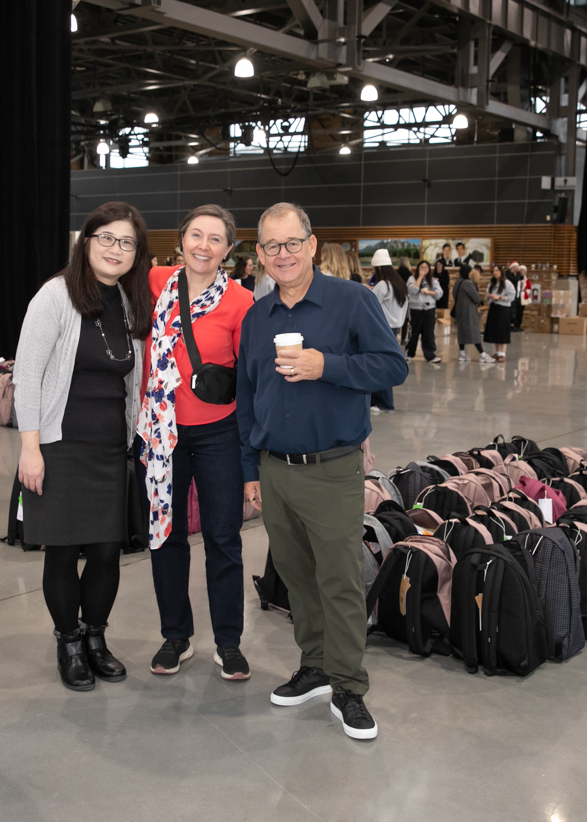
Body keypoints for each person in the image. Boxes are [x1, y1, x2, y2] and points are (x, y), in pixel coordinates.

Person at [237, 202, 406, 741]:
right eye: (272, 246)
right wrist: (251, 470)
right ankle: (314, 665)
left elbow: (392, 366)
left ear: (311, 245)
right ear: (260, 254)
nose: (283, 254)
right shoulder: (256, 318)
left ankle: (349, 686)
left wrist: (324, 365)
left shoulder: (351, 301)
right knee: (297, 577)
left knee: (339, 581)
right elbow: (247, 399)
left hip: (332, 468)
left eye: (292, 243)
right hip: (274, 470)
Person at [14, 201, 151, 691]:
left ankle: (96, 638)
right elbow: (27, 376)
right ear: (86, 242)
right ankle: (68, 643)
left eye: (127, 242)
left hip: (111, 450)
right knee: (62, 552)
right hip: (60, 447)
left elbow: (131, 381)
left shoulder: (130, 302)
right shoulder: (55, 296)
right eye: (106, 238)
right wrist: (30, 448)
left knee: (107, 553)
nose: (116, 249)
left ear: (137, 252)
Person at [140, 205, 254, 681]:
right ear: (181, 239)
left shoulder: (241, 300)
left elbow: (250, 375)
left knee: (223, 538)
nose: (203, 246)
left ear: (228, 249)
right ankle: (176, 635)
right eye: (196, 235)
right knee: (166, 535)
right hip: (162, 433)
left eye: (215, 239)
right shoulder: (155, 281)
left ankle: (228, 642)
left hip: (218, 433)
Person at [368, 249, 409, 412]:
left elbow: (371, 305)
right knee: (385, 364)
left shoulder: (382, 285)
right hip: (394, 329)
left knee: (378, 366)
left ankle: (384, 403)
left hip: (381, 329)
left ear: (378, 268)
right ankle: (382, 402)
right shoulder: (399, 284)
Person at [453, 265, 493, 362]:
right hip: (468, 311)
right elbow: (476, 298)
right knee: (474, 332)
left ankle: (462, 354)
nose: (471, 273)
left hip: (459, 309)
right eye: (470, 271)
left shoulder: (457, 281)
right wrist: (480, 300)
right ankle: (483, 355)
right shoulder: (467, 283)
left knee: (462, 331)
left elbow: (454, 294)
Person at [406, 259, 442, 363]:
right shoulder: (412, 278)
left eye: (426, 267)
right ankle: (409, 353)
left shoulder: (432, 280)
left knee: (429, 333)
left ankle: (430, 355)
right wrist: (420, 277)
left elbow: (439, 293)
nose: (424, 269)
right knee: (414, 332)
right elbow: (412, 290)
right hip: (416, 309)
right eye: (421, 267)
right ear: (418, 268)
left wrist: (430, 292)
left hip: (429, 309)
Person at [482, 263, 515, 361]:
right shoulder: (491, 284)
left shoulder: (507, 283)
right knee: (495, 331)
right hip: (493, 308)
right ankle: (498, 352)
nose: (495, 273)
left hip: (503, 309)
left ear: (501, 272)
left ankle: (503, 354)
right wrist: (488, 296)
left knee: (502, 331)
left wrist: (499, 297)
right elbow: (486, 295)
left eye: (497, 271)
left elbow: (511, 297)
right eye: (494, 271)